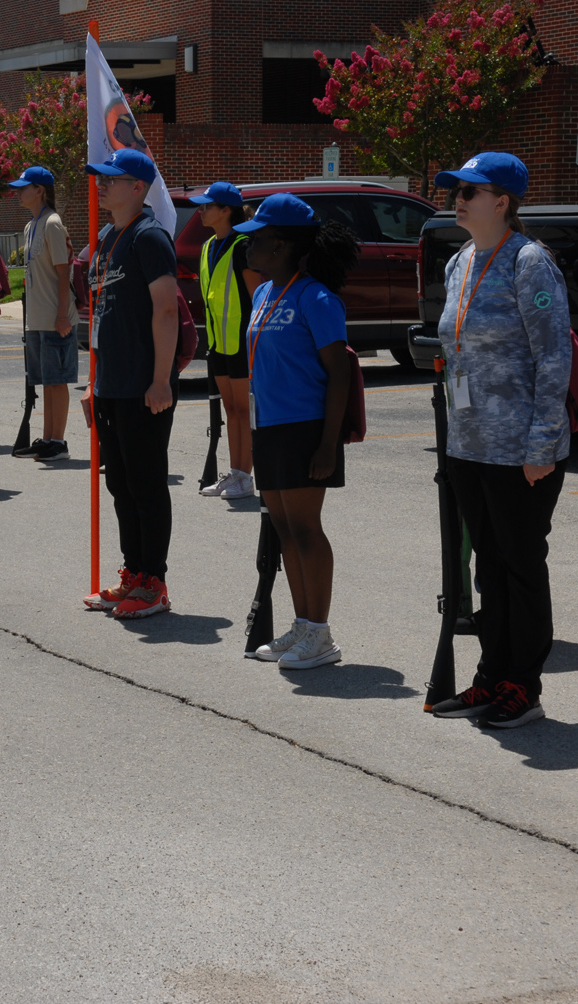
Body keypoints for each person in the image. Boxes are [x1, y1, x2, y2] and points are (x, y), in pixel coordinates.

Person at [425, 152, 572, 729]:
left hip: (520, 450)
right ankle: (492, 676)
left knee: (520, 565)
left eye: (470, 191)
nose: (457, 199)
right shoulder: (460, 260)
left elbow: (553, 357)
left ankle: (523, 686)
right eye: (455, 190)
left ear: (503, 201)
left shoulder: (529, 262)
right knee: (489, 566)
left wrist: (542, 444)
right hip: (470, 445)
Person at [236, 194, 357, 668]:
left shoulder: (317, 298)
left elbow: (339, 374)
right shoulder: (264, 293)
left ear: (282, 245)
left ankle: (321, 634)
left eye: (257, 238)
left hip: (305, 428)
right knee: (284, 528)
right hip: (269, 425)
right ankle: (303, 625)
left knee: (306, 529)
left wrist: (328, 444)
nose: (248, 246)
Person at [80, 149, 179, 618]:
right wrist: (92, 381)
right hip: (110, 385)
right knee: (120, 484)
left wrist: (160, 379)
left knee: (146, 485)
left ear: (138, 187)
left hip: (143, 385)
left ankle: (154, 583)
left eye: (112, 179)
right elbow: (102, 315)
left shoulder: (149, 236)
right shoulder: (107, 237)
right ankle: (133, 574)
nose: (102, 185)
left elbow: (166, 310)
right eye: (101, 178)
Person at [191, 181, 258, 499]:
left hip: (242, 342)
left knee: (244, 411)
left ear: (226, 210)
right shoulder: (207, 246)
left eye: (207, 206)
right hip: (218, 342)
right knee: (230, 410)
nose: (201, 211)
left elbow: (257, 297)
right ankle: (235, 474)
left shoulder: (243, 246)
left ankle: (246, 477)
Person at [7, 166, 78, 463]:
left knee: (57, 381)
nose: (18, 192)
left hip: (55, 317)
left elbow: (63, 274)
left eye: (24, 187)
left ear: (39, 190)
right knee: (47, 382)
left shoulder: (52, 223)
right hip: (37, 318)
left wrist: (62, 315)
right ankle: (48, 439)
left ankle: (58, 442)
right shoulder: (30, 225)